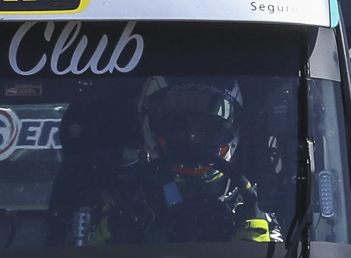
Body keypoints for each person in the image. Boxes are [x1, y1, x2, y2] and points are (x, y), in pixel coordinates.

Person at [92, 82, 274, 245]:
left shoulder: (257, 202)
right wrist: (112, 242)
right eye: (178, 126)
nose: (193, 138)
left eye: (208, 128)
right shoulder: (123, 198)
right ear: (150, 123)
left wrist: (258, 250)